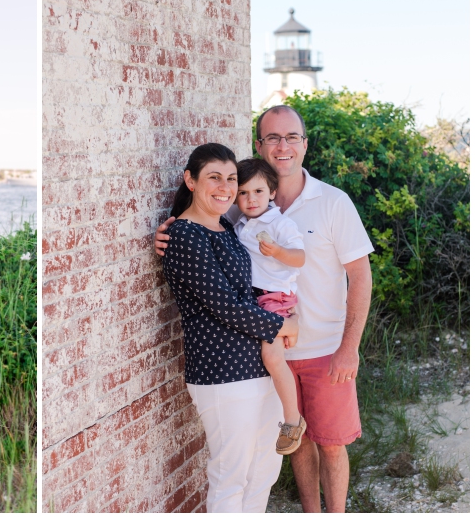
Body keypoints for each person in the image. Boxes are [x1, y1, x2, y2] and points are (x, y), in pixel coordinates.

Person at [156, 105, 374, 513]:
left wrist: (350, 347)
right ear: (259, 145)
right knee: (289, 449)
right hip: (262, 352)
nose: (283, 146)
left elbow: (360, 276)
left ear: (305, 145)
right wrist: (168, 232)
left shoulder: (332, 202)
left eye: (292, 137)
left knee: (325, 445)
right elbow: (202, 231)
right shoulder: (241, 207)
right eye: (273, 137)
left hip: (321, 348)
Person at [161, 143, 300, 512]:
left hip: (259, 364)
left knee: (264, 471)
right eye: (214, 178)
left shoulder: (225, 225)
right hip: (223, 372)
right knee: (230, 476)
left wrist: (284, 318)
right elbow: (224, 305)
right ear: (190, 180)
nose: (225, 187)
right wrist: (281, 324)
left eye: (231, 179)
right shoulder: (185, 235)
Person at [235, 158, 306, 455]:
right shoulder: (238, 223)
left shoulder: (280, 223)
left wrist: (278, 251)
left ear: (272, 193)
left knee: (273, 357)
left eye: (258, 192)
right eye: (243, 193)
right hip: (251, 297)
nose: (251, 199)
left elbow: (300, 258)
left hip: (275, 296)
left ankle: (293, 420)